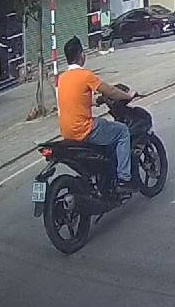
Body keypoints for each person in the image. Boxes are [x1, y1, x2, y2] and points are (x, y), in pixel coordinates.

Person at [57, 36, 138, 194]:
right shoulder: (85, 75)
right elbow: (111, 91)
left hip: (66, 132)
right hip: (84, 130)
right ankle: (124, 179)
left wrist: (96, 102)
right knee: (122, 131)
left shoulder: (62, 78)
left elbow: (75, 99)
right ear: (81, 55)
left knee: (103, 125)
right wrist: (128, 95)